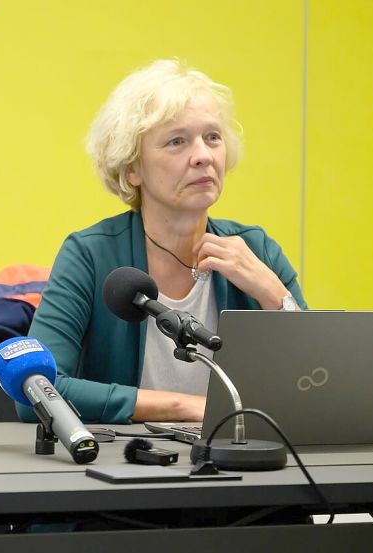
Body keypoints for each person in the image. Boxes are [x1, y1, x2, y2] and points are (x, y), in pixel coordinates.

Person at [22, 60, 306, 425]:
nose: (203, 155)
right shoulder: (90, 254)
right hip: (125, 466)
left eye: (213, 137)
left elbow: (315, 384)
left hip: (241, 459)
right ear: (132, 169)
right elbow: (37, 391)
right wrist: (183, 407)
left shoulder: (255, 248)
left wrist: (273, 294)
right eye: (177, 141)